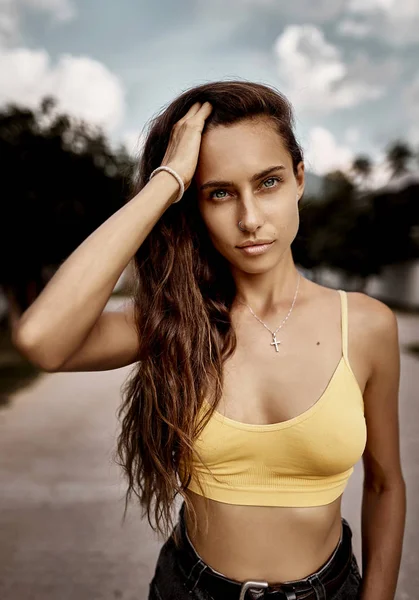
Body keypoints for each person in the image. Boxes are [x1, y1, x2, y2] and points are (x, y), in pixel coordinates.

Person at [13, 80, 406, 600]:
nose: (249, 218)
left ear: (300, 180)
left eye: (268, 183)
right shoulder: (174, 320)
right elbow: (43, 340)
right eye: (219, 193)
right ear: (194, 207)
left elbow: (385, 483)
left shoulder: (366, 324)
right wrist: (165, 181)